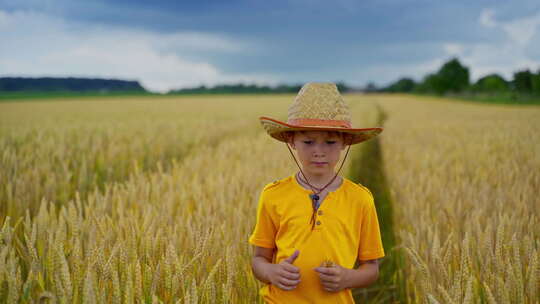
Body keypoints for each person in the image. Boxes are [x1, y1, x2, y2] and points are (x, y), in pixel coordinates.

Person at [248, 82, 385, 303]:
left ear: (344, 142)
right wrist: (271, 272)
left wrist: (349, 277)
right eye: (308, 142)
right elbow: (259, 260)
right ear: (292, 141)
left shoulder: (361, 199)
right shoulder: (273, 195)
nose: (318, 152)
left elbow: (371, 268)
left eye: (330, 142)